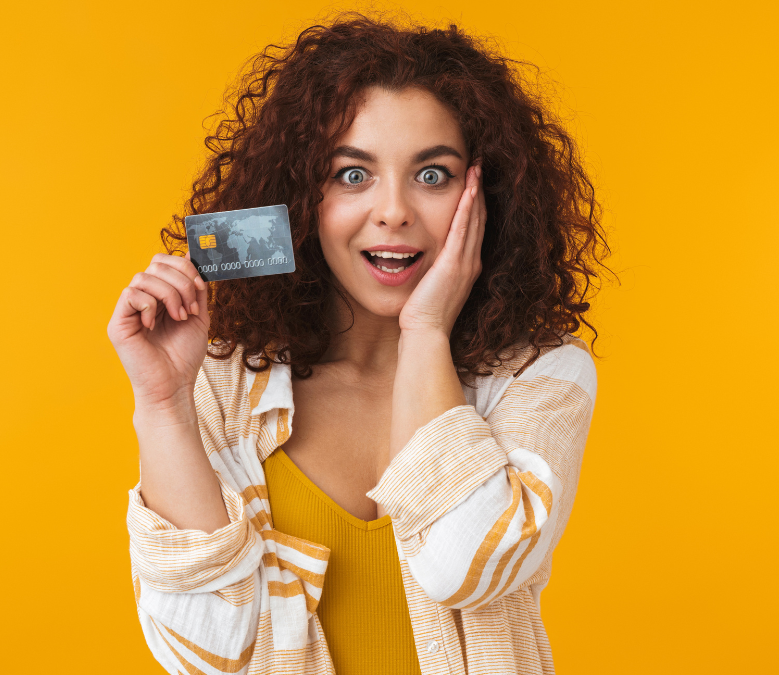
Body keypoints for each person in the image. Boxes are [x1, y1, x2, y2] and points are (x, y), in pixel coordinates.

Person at [106, 14, 608, 675]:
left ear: (487, 196)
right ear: (301, 199)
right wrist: (165, 402)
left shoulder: (541, 374)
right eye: (352, 175)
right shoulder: (219, 383)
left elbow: (468, 568)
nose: (394, 210)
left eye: (432, 175)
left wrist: (425, 332)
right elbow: (206, 652)